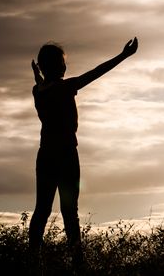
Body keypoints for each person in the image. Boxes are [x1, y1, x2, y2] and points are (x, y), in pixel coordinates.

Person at [28, 37, 138, 254]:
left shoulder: (38, 91)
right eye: (61, 62)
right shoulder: (66, 87)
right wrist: (123, 56)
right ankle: (78, 262)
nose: (64, 65)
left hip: (46, 155)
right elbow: (96, 72)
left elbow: (41, 82)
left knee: (42, 209)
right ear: (57, 66)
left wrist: (37, 73)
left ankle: (32, 258)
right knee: (70, 211)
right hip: (66, 155)